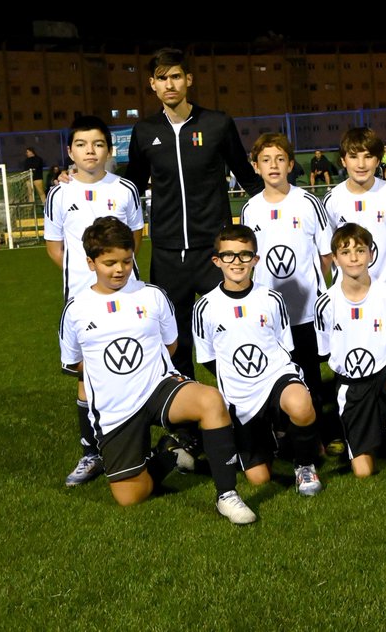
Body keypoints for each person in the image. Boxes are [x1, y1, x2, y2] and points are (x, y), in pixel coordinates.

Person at [58, 217, 256, 524]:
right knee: (131, 497)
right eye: (110, 263)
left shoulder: (152, 296)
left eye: (126, 261)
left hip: (157, 388)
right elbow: (74, 362)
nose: (120, 269)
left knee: (210, 400)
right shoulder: (76, 309)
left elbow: (171, 345)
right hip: (115, 409)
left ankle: (227, 495)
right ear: (90, 262)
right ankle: (172, 454)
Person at [123, 47, 264, 378]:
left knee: (233, 331)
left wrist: (285, 200)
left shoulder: (217, 124)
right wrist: (86, 180)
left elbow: (247, 178)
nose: (169, 84)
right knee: (175, 342)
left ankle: (242, 399)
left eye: (175, 76)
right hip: (168, 254)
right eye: (162, 78)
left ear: (188, 79)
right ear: (152, 84)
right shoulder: (144, 131)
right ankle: (184, 409)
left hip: (215, 251)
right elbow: (130, 188)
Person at [45, 116, 145, 487]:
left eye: (98, 144)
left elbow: (135, 239)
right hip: (82, 299)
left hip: (127, 294)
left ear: (109, 150)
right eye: (82, 144)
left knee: (133, 362)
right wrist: (89, 279)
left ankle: (138, 443)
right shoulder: (59, 193)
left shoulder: (125, 189)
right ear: (70, 151)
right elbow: (55, 247)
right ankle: (91, 451)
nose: (91, 151)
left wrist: (114, 275)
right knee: (87, 372)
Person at [193, 225, 323, 496]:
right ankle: (276, 438)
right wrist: (240, 379)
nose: (237, 261)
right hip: (240, 395)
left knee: (300, 403)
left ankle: (304, 464)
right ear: (217, 260)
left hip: (275, 377)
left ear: (255, 259)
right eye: (228, 255)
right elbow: (208, 358)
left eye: (244, 255)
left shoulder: (271, 298)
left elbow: (285, 348)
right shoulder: (205, 307)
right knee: (259, 478)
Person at [314, 224, 386, 490]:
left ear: (371, 254)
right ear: (335, 259)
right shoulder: (325, 303)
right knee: (363, 471)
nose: (354, 258)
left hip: (384, 371)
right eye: (345, 252)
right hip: (352, 385)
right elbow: (327, 350)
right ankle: (379, 430)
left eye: (360, 250)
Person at [239, 133, 334, 442]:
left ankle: (317, 436)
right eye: (266, 160)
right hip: (269, 314)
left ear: (291, 164)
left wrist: (313, 286)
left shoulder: (308, 202)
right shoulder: (250, 209)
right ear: (256, 167)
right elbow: (249, 259)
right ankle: (282, 433)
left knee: (310, 373)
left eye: (280, 159)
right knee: (275, 374)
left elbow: (325, 253)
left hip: (306, 310)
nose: (273, 165)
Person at [323, 127, 386, 289]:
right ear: (343, 161)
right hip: (345, 292)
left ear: (378, 160)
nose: (361, 164)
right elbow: (327, 247)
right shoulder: (332, 199)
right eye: (353, 157)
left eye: (368, 156)